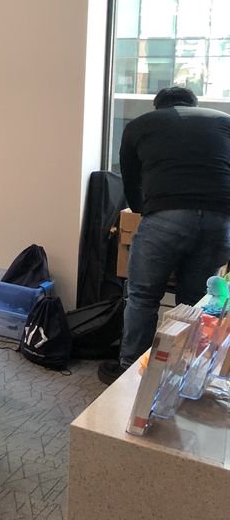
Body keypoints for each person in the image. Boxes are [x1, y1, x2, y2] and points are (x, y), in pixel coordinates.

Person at [98, 86, 230, 385]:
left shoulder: (141, 125)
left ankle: (131, 369)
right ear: (193, 103)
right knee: (193, 300)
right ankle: (179, 370)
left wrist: (150, 214)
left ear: (158, 107)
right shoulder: (224, 122)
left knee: (143, 296)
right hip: (220, 220)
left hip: (167, 215)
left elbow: (130, 183)